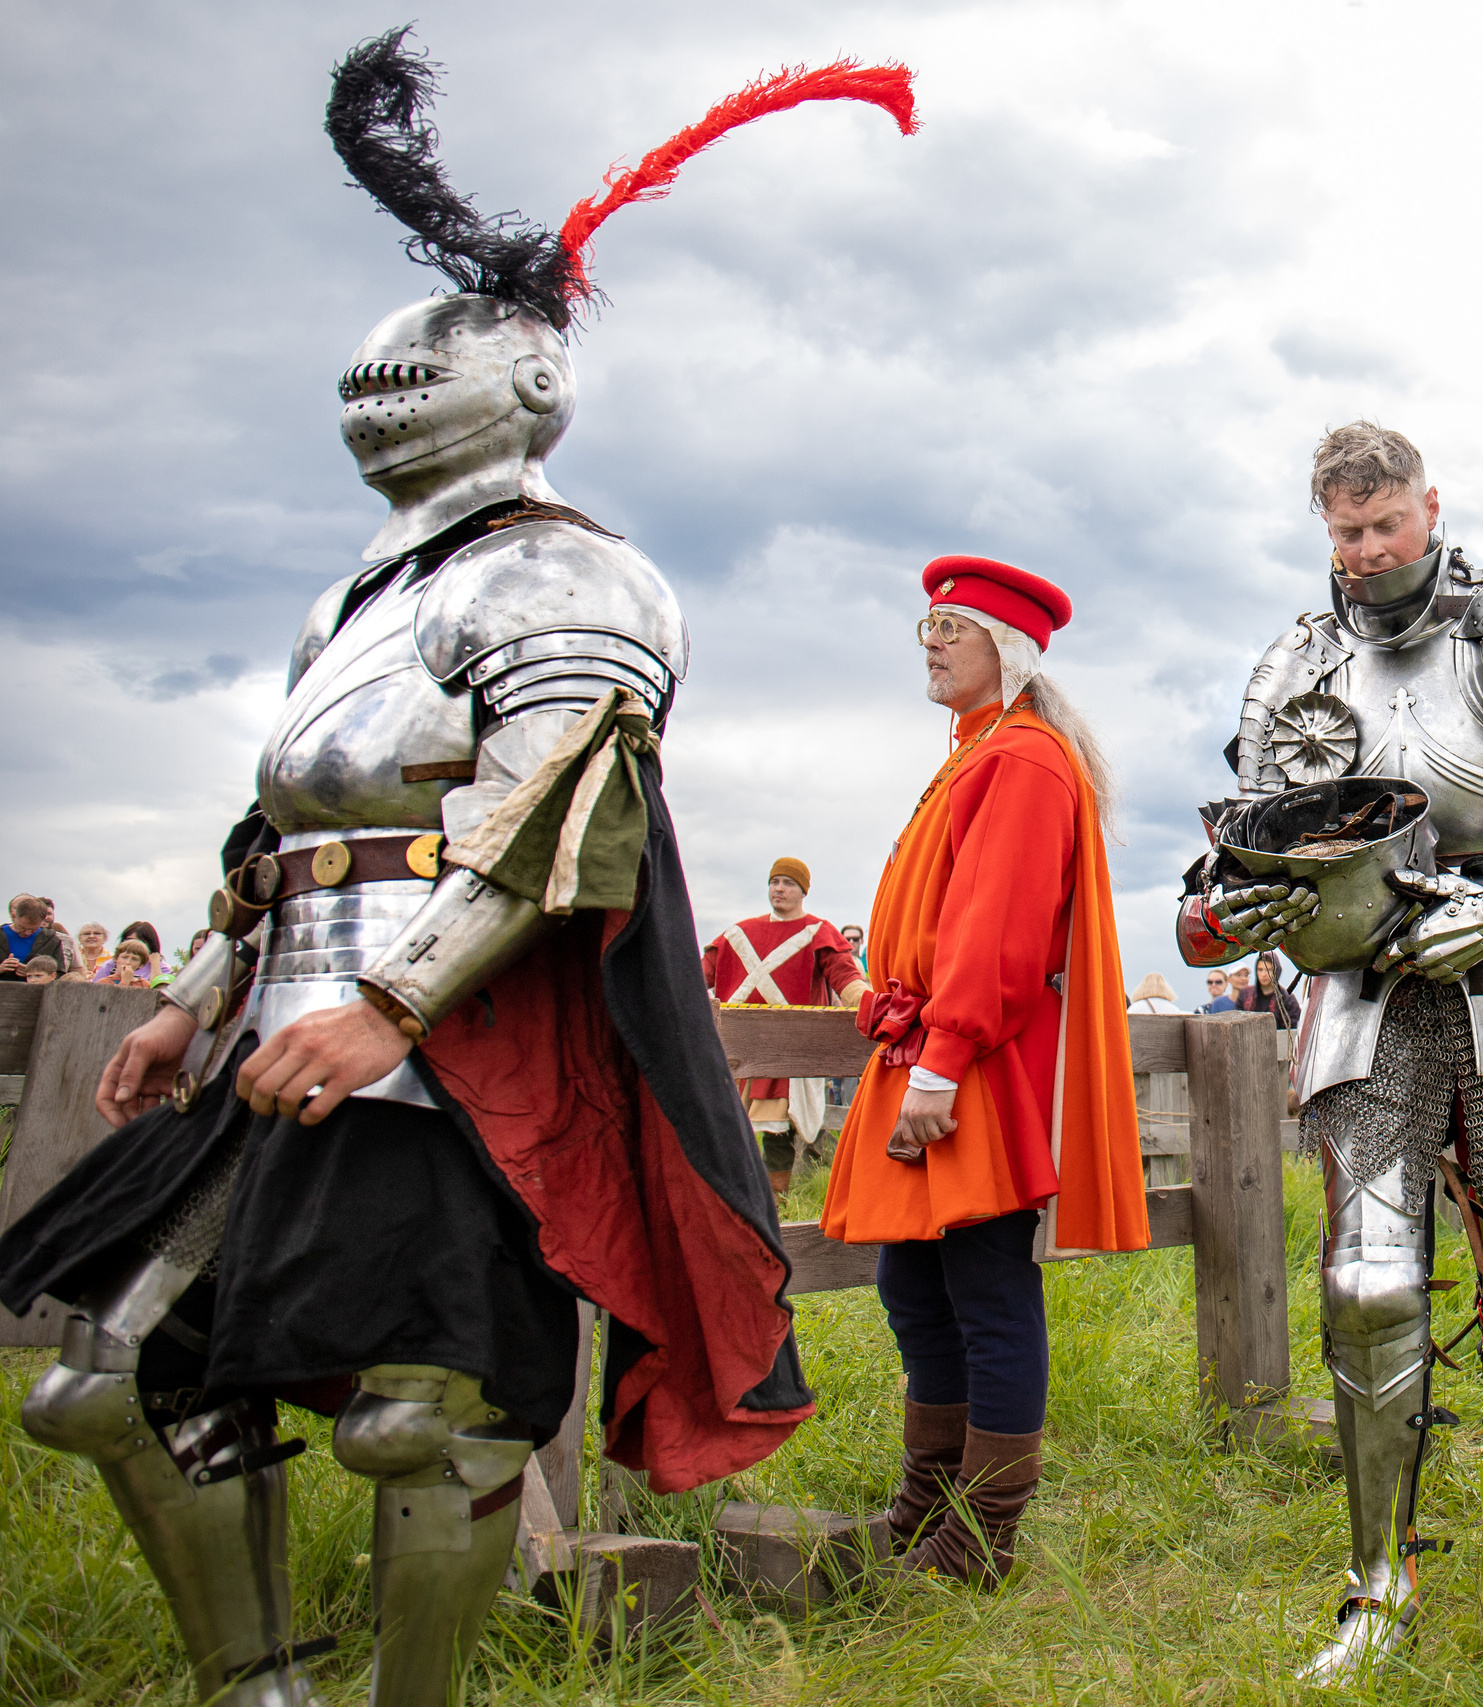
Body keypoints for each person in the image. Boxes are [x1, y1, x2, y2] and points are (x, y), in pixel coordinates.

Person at [0, 33, 910, 1699]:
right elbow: (282, 836)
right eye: (367, 380)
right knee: (101, 1381)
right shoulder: (350, 604)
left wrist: (387, 1001)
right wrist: (194, 998)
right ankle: (255, 1681)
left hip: (452, 1058)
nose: (379, 399)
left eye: (416, 377)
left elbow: (552, 823)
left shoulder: (572, 579)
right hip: (278, 1039)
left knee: (419, 1418)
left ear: (532, 384)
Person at [1176, 423, 1483, 1680]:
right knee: (1367, 1284)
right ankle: (1376, 1580)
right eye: (1342, 531)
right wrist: (1227, 907)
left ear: (1428, 507)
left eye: (1383, 524)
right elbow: (1246, 847)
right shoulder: (1296, 662)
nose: (1362, 553)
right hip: (1359, 978)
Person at [821, 556, 1147, 1590]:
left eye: (951, 627)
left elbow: (995, 932)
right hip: (930, 1055)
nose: (929, 639)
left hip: (974, 1067)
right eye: (925, 625)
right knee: (911, 1287)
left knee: (985, 1289)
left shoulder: (1024, 760)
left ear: (1003, 648)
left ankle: (982, 1539)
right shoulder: (975, 755)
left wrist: (944, 1064)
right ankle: (925, 1509)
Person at [702, 857, 865, 1199]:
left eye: (788, 883)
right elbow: (695, 978)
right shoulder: (737, 934)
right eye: (774, 881)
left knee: (779, 1131)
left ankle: (778, 1201)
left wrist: (870, 1005)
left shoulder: (818, 932)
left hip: (790, 1049)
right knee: (728, 1129)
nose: (779, 888)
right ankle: (734, 1199)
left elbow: (846, 978)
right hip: (738, 1053)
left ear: (803, 891)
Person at [1, 894, 66, 982]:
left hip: (36, 993)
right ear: (13, 916)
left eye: (33, 930)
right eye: (22, 928)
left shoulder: (51, 940)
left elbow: (60, 975)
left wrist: (34, 974)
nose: (27, 933)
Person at [1231, 951, 1302, 1028]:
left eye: (1268, 970)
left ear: (1276, 971)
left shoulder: (1287, 999)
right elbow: (1237, 1023)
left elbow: (1290, 1029)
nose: (1264, 974)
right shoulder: (1245, 995)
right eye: (1260, 970)